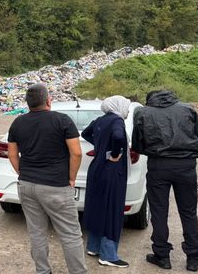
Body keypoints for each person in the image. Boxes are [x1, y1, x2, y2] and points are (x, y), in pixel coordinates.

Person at [7, 83, 87, 274]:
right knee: (70, 234)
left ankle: (43, 271)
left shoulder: (17, 122)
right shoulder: (62, 120)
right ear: (48, 101)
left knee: (37, 233)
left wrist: (22, 174)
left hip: (27, 185)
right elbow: (76, 153)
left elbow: (12, 154)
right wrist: (71, 178)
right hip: (56, 186)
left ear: (28, 104)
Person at [132, 90, 198, 272]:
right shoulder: (188, 109)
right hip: (186, 166)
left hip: (159, 166)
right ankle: (193, 258)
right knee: (188, 212)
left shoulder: (142, 112)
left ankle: (162, 256)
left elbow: (137, 145)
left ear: (149, 100)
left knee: (159, 211)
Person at [81, 96, 132, 268]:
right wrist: (114, 153)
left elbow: (85, 133)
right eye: (127, 106)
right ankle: (108, 255)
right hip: (111, 173)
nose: (128, 109)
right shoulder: (117, 120)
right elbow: (118, 136)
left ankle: (94, 247)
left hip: (96, 170)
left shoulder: (100, 120)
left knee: (97, 207)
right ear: (118, 106)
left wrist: (100, 146)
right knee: (112, 210)